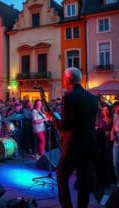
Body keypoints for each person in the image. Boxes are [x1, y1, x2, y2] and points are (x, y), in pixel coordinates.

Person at [57, 67, 99, 208]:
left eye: (64, 78)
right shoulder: (92, 98)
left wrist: (53, 119)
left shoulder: (69, 97)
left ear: (68, 80)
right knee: (84, 180)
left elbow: (66, 125)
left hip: (73, 145)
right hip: (90, 144)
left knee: (61, 176)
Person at [111, 101, 119, 185]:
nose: (116, 109)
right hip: (116, 142)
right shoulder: (115, 116)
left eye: (117, 107)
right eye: (115, 107)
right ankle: (118, 181)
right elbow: (113, 127)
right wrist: (112, 133)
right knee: (115, 163)